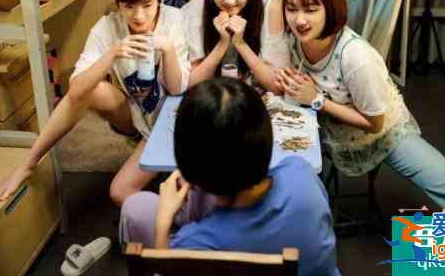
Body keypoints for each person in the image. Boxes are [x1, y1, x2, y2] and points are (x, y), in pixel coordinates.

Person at [275, 0, 445, 214]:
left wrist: (317, 100)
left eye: (311, 10)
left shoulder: (357, 57)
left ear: (330, 9)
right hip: (330, 125)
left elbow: (375, 123)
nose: (299, 20)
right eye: (292, 9)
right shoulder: (294, 37)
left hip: (381, 132)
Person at [0, 0, 190, 206]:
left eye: (147, 5)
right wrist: (112, 54)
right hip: (136, 116)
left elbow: (177, 89)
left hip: (172, 118)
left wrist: (168, 48)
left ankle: (174, 210)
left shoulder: (174, 20)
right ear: (118, 3)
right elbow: (76, 90)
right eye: (129, 6)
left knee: (119, 192)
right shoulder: (107, 28)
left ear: (159, 0)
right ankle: (29, 163)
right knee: (89, 88)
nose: (139, 16)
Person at [119, 78, 340, 276]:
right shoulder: (301, 171)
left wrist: (163, 224)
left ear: (188, 166)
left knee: (137, 207)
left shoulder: (192, 245)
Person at [183, 0, 289, 90]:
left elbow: (278, 87)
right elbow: (190, 84)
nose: (229, 0)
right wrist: (222, 43)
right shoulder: (194, 10)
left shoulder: (271, 11)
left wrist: (240, 44)